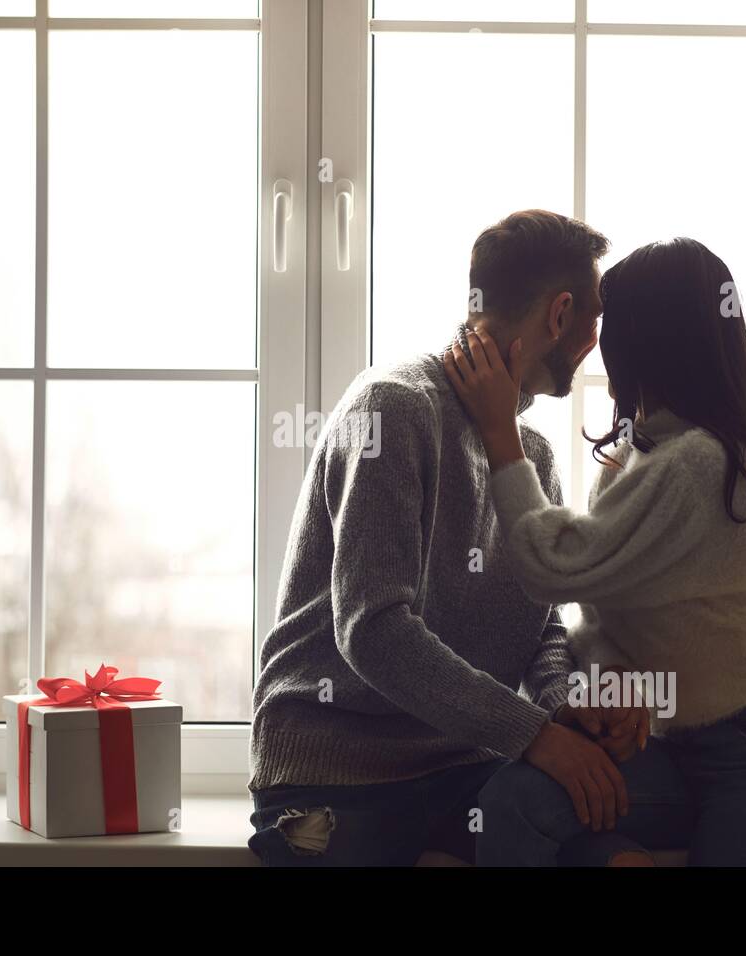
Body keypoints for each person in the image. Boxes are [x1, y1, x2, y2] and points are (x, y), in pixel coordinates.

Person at [247, 210, 651, 866]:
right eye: (593, 322)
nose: (594, 344)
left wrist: (563, 708)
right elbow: (373, 630)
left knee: (623, 860)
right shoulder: (392, 408)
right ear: (561, 314)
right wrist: (537, 737)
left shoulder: (533, 458)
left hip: (467, 769)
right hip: (339, 779)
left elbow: (542, 625)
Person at [444, 237, 746, 866]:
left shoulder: (702, 464)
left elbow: (555, 568)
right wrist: (610, 685)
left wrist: (500, 435)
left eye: (608, 323)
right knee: (512, 807)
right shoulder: (638, 459)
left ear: (649, 339)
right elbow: (604, 614)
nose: (595, 341)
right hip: (677, 746)